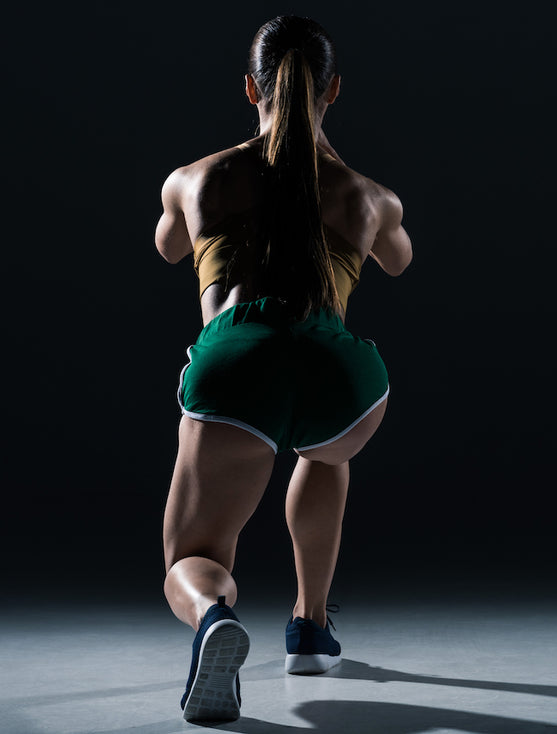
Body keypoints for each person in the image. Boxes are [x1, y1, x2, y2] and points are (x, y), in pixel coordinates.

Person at [153, 15, 412, 725]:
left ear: (249, 89)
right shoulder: (369, 198)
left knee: (194, 556)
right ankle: (311, 626)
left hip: (237, 362)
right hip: (341, 378)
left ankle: (213, 618)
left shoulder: (196, 178)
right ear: (333, 91)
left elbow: (169, 247)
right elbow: (399, 258)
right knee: (324, 453)